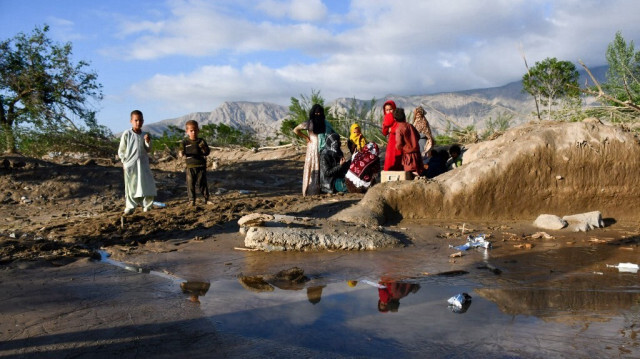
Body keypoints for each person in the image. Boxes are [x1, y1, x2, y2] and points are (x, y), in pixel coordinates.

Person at [118, 110, 157, 215]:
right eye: (136, 120)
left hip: (143, 164)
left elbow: (149, 149)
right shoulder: (127, 134)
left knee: (146, 184)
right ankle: (130, 207)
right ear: (131, 121)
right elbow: (121, 150)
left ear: (143, 121)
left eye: (140, 120)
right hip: (130, 164)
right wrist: (124, 162)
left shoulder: (145, 135)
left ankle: (147, 206)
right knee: (131, 186)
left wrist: (147, 141)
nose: (138, 122)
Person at [294, 104, 327, 196]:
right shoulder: (308, 123)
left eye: (319, 112)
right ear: (313, 113)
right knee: (313, 166)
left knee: (322, 166)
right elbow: (296, 130)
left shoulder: (324, 123)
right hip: (312, 147)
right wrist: (305, 137)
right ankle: (311, 190)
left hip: (322, 147)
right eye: (316, 112)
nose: (318, 114)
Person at [178, 120, 211, 206]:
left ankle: (207, 199)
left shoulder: (201, 141)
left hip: (201, 166)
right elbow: (181, 151)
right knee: (190, 185)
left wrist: (203, 147)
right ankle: (192, 200)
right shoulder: (185, 142)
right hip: (190, 166)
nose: (193, 132)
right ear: (187, 132)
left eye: (195, 130)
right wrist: (181, 153)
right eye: (191, 131)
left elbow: (207, 152)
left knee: (202, 184)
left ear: (198, 130)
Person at [394, 108, 424, 176]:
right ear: (404, 116)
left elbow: (399, 144)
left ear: (395, 119)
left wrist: (401, 147)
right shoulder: (410, 125)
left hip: (408, 156)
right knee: (418, 171)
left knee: (411, 173)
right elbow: (418, 136)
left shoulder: (399, 129)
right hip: (417, 153)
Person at [381, 100, 402, 171]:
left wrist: (391, 129)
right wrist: (386, 124)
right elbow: (384, 132)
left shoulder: (398, 117)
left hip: (398, 141)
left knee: (398, 157)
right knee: (390, 158)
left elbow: (400, 127)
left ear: (394, 109)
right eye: (387, 110)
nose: (389, 112)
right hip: (391, 142)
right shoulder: (386, 118)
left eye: (391, 109)